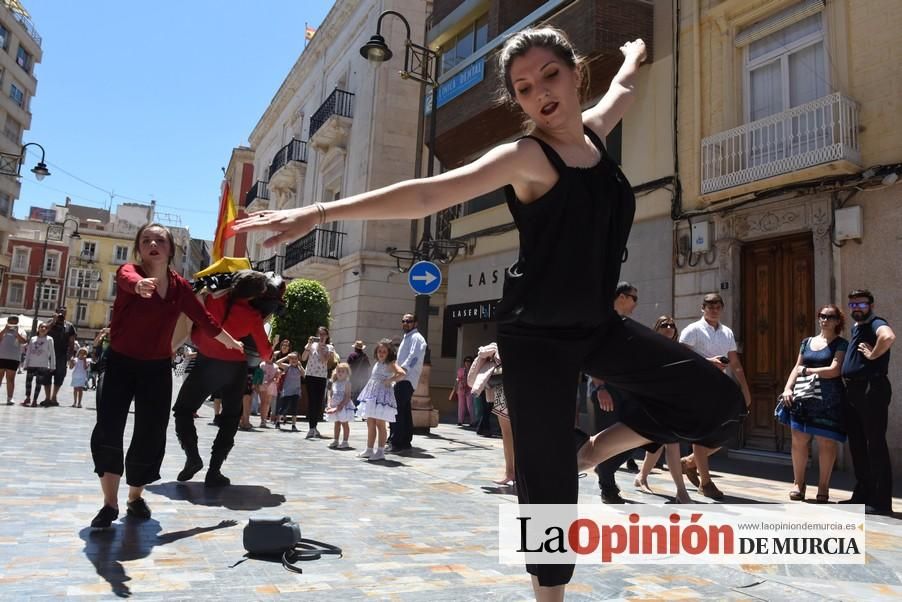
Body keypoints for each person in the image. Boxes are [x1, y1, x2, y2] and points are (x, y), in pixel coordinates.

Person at [233, 28, 746, 597]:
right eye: (524, 88)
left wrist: (630, 56)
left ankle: (591, 451)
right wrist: (321, 208)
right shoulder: (526, 156)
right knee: (548, 496)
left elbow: (622, 90)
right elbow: (428, 194)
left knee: (719, 403)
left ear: (576, 73)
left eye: (551, 75)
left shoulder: (596, 138)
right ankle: (548, 583)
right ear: (518, 102)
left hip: (597, 326)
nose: (541, 93)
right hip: (537, 338)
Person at [89, 223, 243, 530]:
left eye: (159, 239)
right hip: (119, 362)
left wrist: (230, 341)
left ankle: (134, 497)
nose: (152, 244)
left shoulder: (179, 288)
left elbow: (204, 319)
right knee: (109, 429)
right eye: (146, 240)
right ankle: (109, 503)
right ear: (139, 248)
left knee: (150, 432)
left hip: (156, 368)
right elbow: (128, 279)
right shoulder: (128, 272)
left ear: (170, 249)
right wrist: (139, 286)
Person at [172, 270, 273, 487]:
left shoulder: (211, 298)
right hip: (235, 368)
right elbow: (265, 353)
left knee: (183, 410)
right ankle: (214, 470)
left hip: (206, 363)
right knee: (230, 419)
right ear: (255, 296)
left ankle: (192, 456)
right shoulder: (253, 316)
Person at [677, 292, 752, 500]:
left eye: (718, 306)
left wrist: (745, 390)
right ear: (702, 308)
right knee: (702, 433)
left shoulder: (727, 332)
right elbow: (682, 356)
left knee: (724, 431)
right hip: (698, 388)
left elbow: (735, 364)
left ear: (722, 308)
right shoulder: (692, 330)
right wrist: (709, 362)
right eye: (710, 306)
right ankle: (706, 482)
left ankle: (690, 462)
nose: (714, 309)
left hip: (721, 389)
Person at [778, 304, 848, 504]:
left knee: (826, 442)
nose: (824, 319)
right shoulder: (807, 342)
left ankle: (823, 487)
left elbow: (835, 370)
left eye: (830, 316)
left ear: (837, 321)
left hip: (828, 400)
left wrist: (808, 371)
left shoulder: (841, 344)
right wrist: (788, 388)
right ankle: (798, 484)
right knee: (798, 440)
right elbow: (796, 366)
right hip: (802, 397)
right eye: (821, 316)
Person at [841, 289, 895, 515]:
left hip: (871, 388)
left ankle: (881, 501)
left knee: (874, 444)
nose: (856, 309)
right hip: (854, 390)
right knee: (857, 444)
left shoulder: (876, 322)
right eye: (852, 305)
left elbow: (888, 336)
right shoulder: (858, 328)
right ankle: (863, 494)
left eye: (861, 304)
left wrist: (873, 355)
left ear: (870, 305)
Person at [632, 316, 691, 503]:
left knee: (659, 446)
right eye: (664, 324)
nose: (668, 327)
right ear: (656, 328)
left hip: (671, 404)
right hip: (652, 403)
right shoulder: (648, 348)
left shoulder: (679, 350)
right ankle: (681, 491)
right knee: (669, 445)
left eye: (671, 325)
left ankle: (641, 477)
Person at [590, 282, 640, 504]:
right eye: (634, 298)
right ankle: (608, 489)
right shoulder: (603, 323)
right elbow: (592, 359)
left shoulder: (624, 324)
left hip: (625, 391)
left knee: (635, 439)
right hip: (606, 390)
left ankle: (604, 470)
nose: (636, 303)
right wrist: (600, 388)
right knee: (608, 442)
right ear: (621, 297)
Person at [468, 343, 514, 485]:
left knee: (507, 433)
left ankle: (510, 472)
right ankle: (513, 472)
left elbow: (485, 353)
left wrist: (493, 353)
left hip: (505, 388)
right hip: (520, 386)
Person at [356, 339, 405, 462]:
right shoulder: (377, 363)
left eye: (384, 351)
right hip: (372, 395)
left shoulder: (390, 363)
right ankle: (369, 449)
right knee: (370, 422)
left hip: (382, 397)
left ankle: (380, 451)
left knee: (380, 423)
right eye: (379, 351)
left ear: (388, 352)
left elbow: (402, 373)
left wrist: (390, 380)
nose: (381, 353)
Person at [388, 313, 426, 452]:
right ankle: (404, 441)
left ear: (415, 323)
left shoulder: (416, 338)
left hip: (406, 378)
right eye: (403, 321)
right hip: (402, 378)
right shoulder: (407, 337)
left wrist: (401, 370)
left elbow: (413, 357)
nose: (405, 323)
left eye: (409, 321)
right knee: (404, 411)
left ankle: (396, 441)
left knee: (397, 410)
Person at [301, 326, 334, 439]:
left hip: (321, 376)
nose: (321, 336)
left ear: (327, 336)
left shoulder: (329, 347)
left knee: (318, 402)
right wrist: (309, 345)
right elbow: (304, 358)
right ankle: (311, 428)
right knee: (311, 401)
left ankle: (314, 426)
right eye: (319, 334)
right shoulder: (311, 345)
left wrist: (321, 348)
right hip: (310, 375)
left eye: (324, 334)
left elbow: (324, 360)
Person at [46, 306, 77, 407]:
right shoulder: (50, 322)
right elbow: (43, 332)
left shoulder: (69, 326)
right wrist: (53, 321)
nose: (61, 315)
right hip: (48, 354)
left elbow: (71, 342)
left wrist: (71, 356)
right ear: (55, 313)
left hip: (62, 355)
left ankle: (54, 396)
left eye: (64, 313)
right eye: (60, 312)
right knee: (46, 375)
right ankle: (47, 397)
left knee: (60, 375)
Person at [22, 322, 55, 407]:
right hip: (32, 363)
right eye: (42, 327)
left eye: (45, 328)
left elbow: (52, 353)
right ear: (38, 328)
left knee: (38, 383)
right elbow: (28, 351)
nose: (43, 329)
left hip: (42, 364)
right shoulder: (33, 338)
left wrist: (52, 365)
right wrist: (25, 364)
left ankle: (35, 400)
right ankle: (27, 397)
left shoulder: (49, 339)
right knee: (28, 382)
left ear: (47, 330)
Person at [325, 362, 355, 449]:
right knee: (336, 423)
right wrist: (329, 404)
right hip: (334, 406)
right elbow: (330, 394)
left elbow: (347, 396)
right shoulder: (334, 383)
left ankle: (345, 441)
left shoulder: (347, 383)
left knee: (344, 423)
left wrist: (340, 406)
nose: (340, 373)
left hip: (343, 406)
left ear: (347, 373)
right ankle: (336, 440)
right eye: (339, 371)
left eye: (343, 371)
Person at [273, 352, 304, 432]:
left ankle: (293, 425)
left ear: (298, 360)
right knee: (283, 407)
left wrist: (300, 365)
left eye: (295, 359)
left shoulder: (299, 368)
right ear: (289, 360)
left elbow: (304, 374)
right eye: (292, 359)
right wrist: (286, 357)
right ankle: (278, 422)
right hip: (286, 391)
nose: (293, 360)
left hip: (296, 391)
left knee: (294, 408)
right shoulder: (287, 367)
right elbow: (277, 363)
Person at [0, 316, 27, 405]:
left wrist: (16, 333)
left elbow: (24, 341)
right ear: (7, 322)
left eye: (15, 322)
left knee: (10, 379)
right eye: (11, 322)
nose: (13, 324)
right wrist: (4, 330)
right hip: (1, 357)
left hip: (13, 358)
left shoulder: (21, 331)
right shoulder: (2, 329)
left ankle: (9, 398)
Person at [452, 356, 475, 426]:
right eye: (466, 361)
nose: (467, 363)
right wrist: (456, 385)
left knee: (470, 405)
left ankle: (473, 421)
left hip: (469, 389)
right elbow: (458, 378)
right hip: (461, 389)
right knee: (461, 405)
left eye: (469, 362)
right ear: (464, 362)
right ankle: (460, 421)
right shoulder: (460, 370)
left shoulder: (473, 370)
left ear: (471, 363)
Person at [346, 340, 370, 409]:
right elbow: (367, 367)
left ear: (355, 348)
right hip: (362, 378)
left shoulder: (352, 355)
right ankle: (358, 408)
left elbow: (348, 366)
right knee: (360, 393)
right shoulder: (365, 356)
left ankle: (351, 407)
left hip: (352, 377)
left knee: (352, 392)